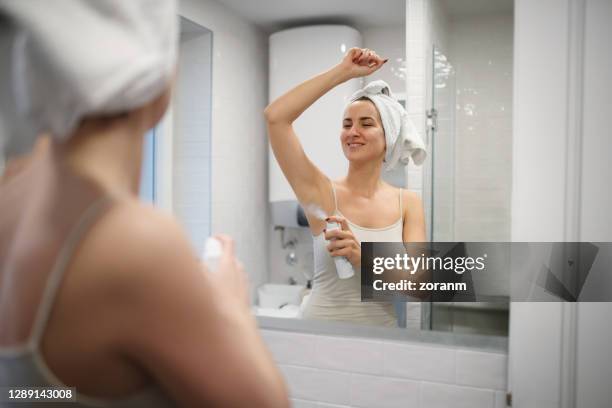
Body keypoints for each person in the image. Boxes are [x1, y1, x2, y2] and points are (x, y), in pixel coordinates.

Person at [0, 2, 289, 407]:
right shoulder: (131, 239)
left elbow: (32, 392)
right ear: (153, 70)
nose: (353, 133)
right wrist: (229, 306)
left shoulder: (11, 193)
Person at [264, 48, 427, 327]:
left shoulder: (408, 203)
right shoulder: (322, 193)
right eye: (346, 124)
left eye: (366, 124)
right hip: (319, 337)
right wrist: (343, 72)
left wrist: (361, 257)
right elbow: (275, 117)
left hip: (381, 344)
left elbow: (420, 287)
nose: (352, 132)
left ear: (388, 139)